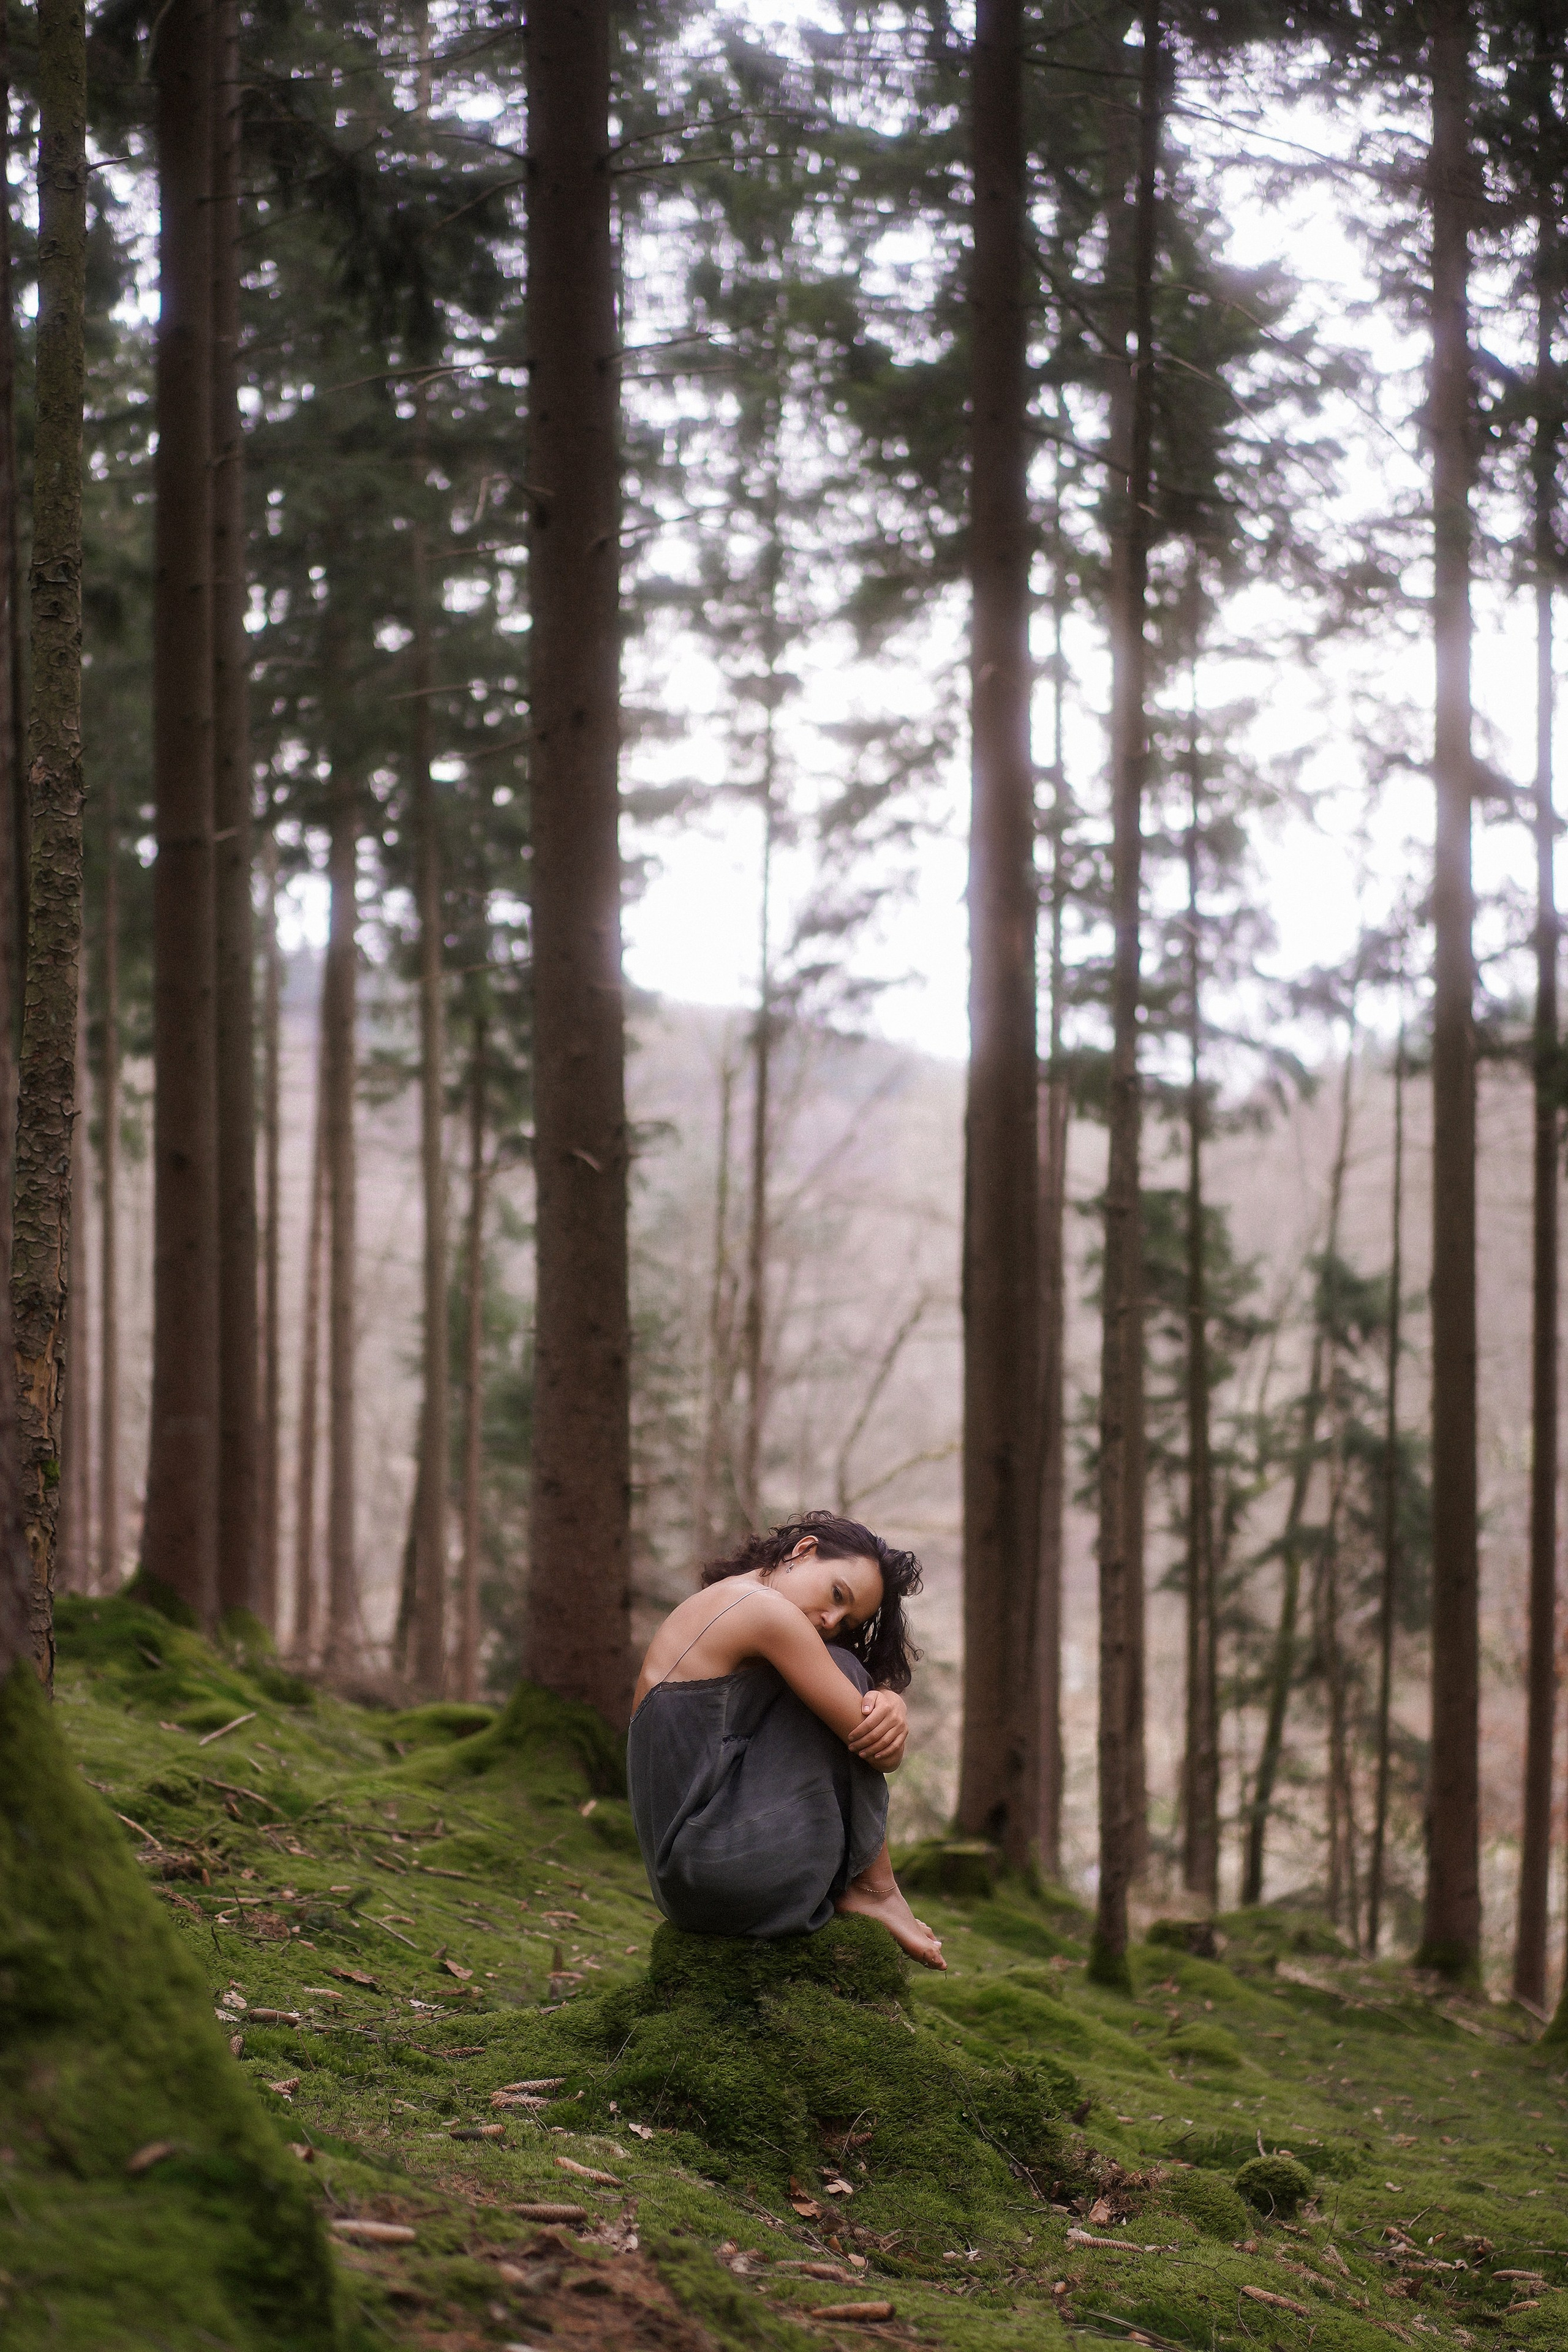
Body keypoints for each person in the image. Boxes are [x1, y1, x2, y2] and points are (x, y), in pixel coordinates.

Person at [627, 1511, 945, 1968]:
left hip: (691, 1879)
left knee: (843, 1669)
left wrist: (886, 1698)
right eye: (837, 1595)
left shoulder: (726, 1602)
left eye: (846, 1622)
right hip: (716, 1866)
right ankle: (877, 1890)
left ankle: (872, 1891)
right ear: (803, 1550)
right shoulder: (761, 1609)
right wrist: (888, 1702)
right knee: (846, 1669)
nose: (830, 1619)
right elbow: (876, 1745)